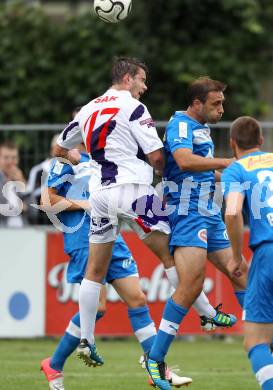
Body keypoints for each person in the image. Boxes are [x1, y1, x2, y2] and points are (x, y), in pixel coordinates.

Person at [52, 58, 236, 390]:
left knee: (95, 271)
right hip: (135, 192)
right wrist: (168, 168)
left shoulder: (88, 109)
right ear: (127, 78)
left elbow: (59, 147)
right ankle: (207, 312)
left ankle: (87, 339)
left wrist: (77, 157)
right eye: (142, 79)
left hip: (101, 197)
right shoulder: (135, 108)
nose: (145, 86)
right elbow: (156, 157)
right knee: (169, 255)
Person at [40, 144, 192, 389]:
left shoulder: (104, 162)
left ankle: (158, 369)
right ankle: (54, 365)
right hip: (82, 237)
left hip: (112, 235)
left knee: (138, 299)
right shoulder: (66, 161)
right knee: (98, 308)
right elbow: (47, 200)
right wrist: (84, 204)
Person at [156, 77, 250, 386]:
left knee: (240, 272)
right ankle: (155, 359)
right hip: (188, 213)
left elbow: (204, 166)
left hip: (208, 212)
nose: (222, 108)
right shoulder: (180, 125)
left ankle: (265, 340)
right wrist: (231, 161)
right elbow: (183, 161)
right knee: (191, 283)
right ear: (197, 103)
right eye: (216, 103)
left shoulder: (201, 129)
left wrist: (236, 175)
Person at [222, 116, 273, 390]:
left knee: (256, 341)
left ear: (232, 144)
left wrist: (236, 254)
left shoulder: (237, 170)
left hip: (268, 253)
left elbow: (232, 212)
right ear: (261, 141)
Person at [0, 141, 26, 227]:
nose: (10, 161)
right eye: (6, 158)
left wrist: (22, 183)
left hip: (24, 231)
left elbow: (34, 211)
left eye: (14, 158)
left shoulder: (20, 177)